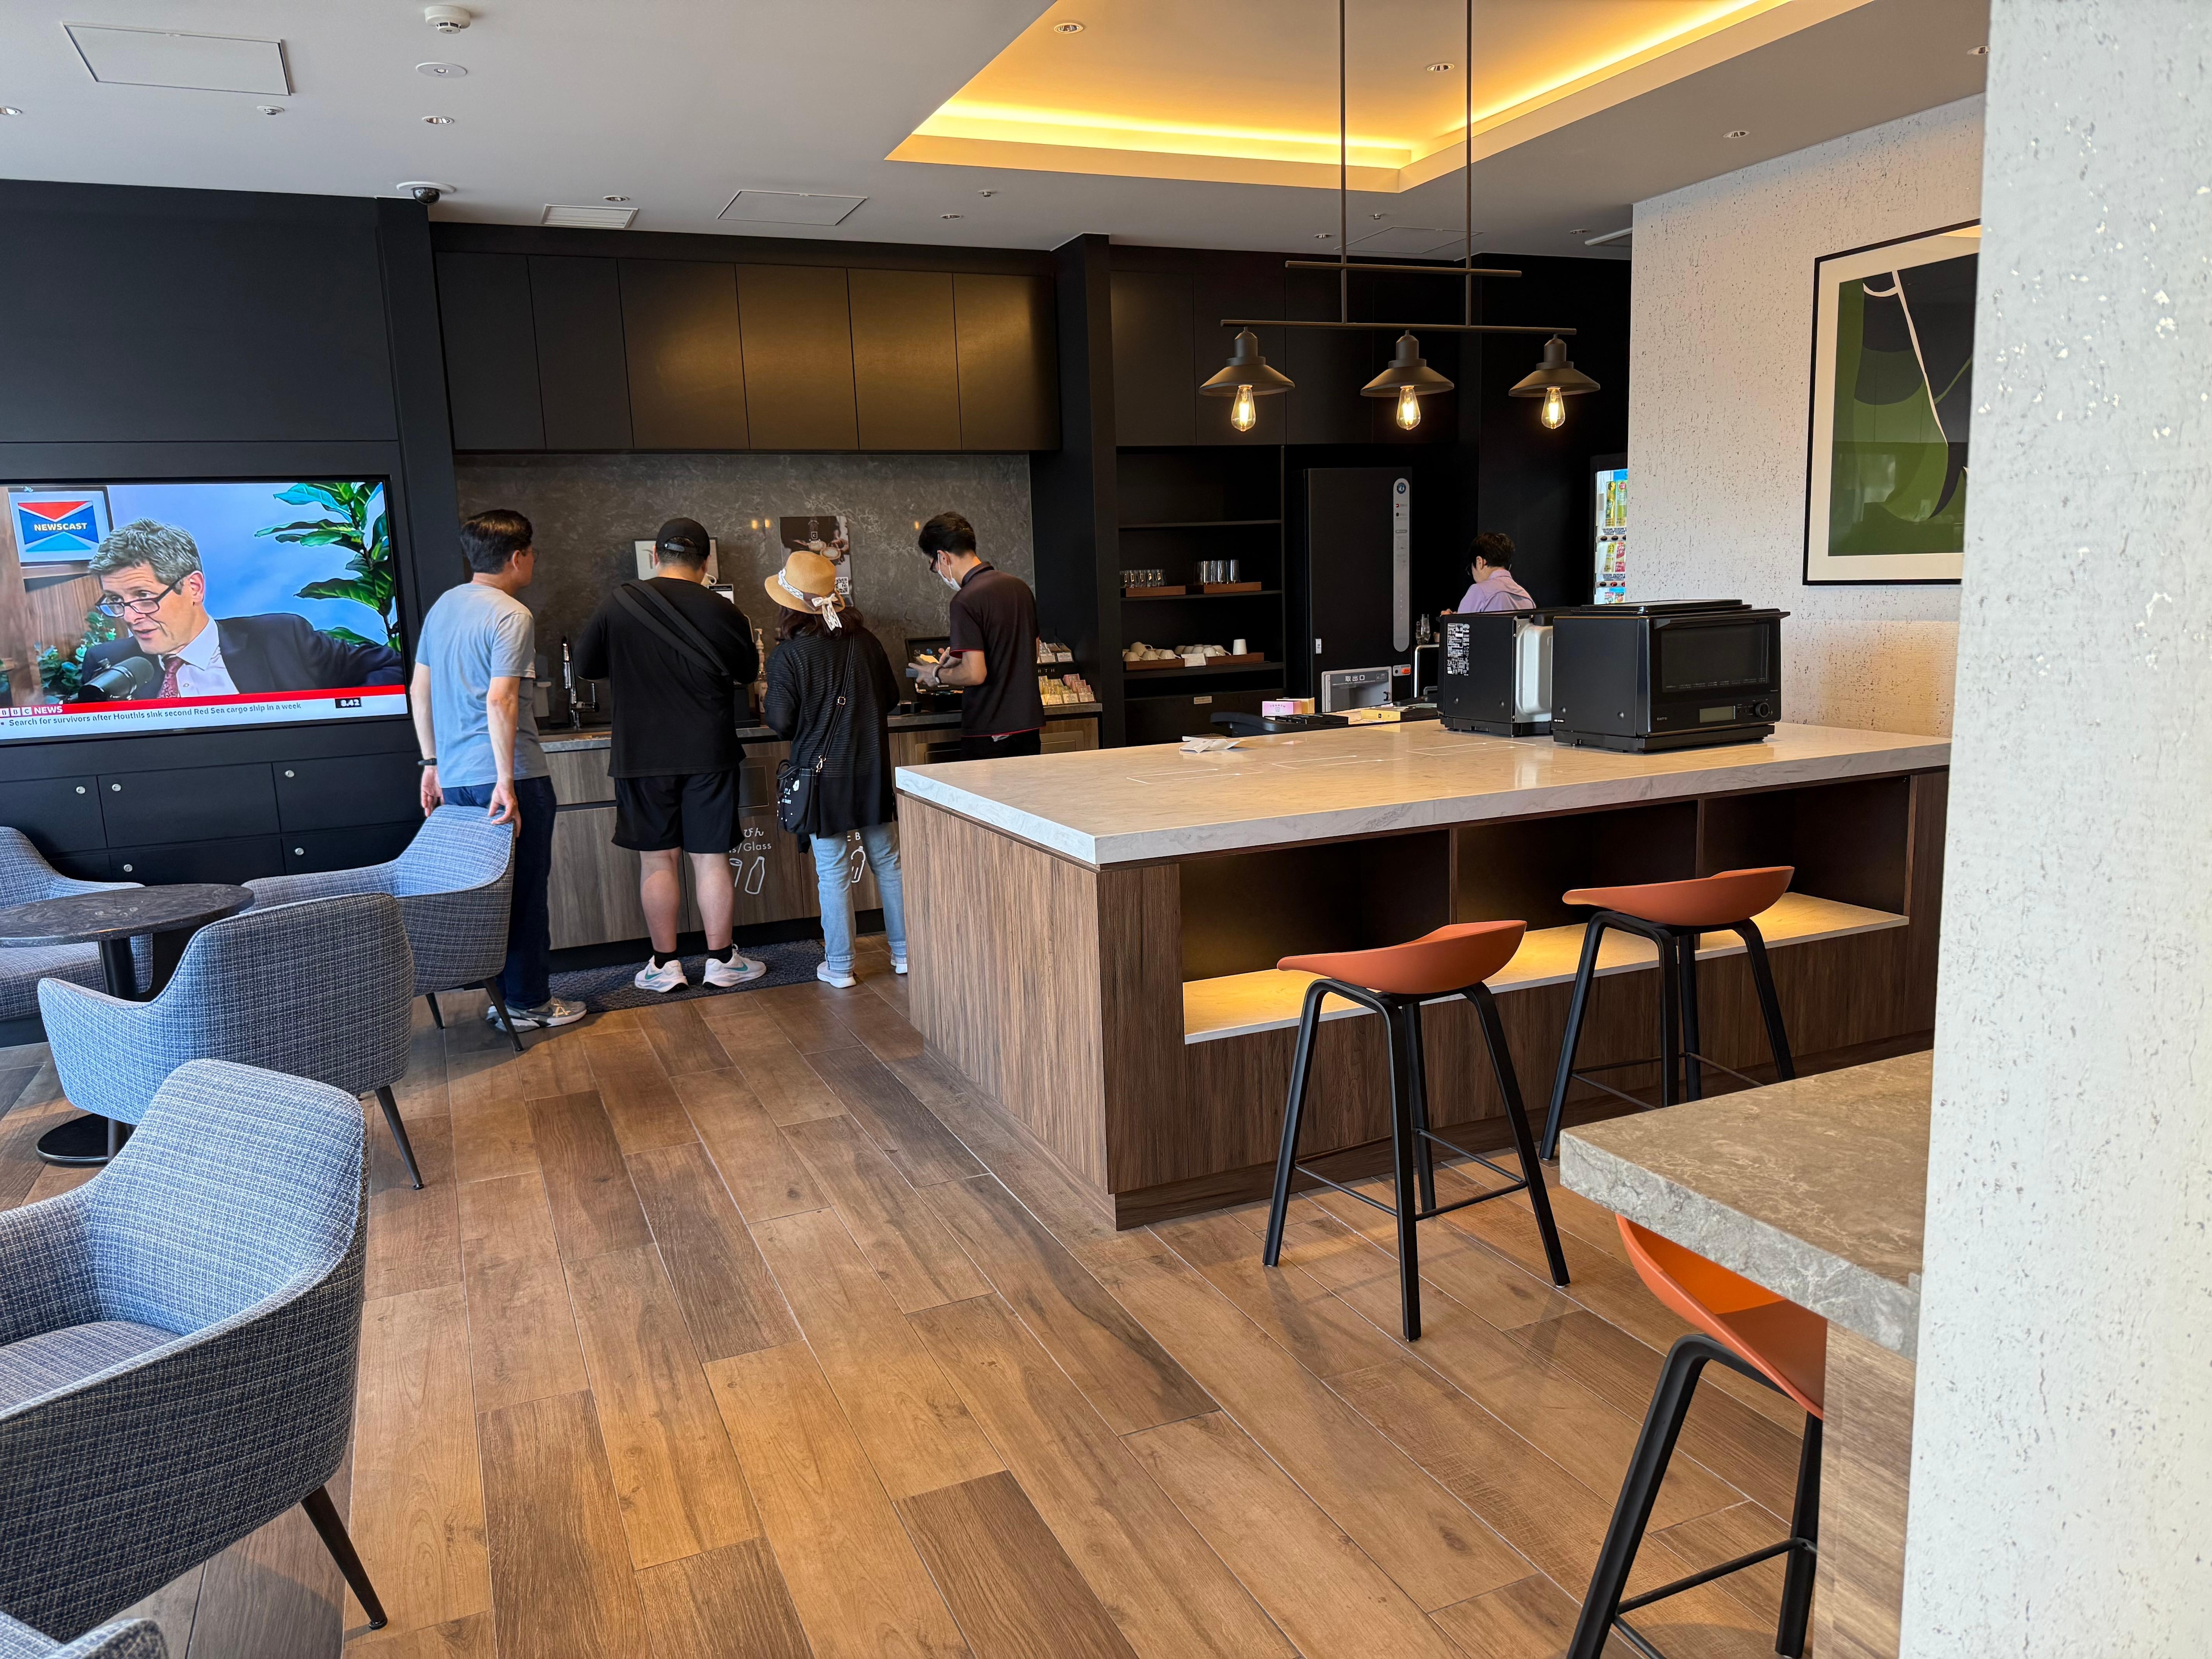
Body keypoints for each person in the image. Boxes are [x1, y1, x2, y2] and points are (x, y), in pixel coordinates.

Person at [573, 516, 766, 995]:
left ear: (655, 556)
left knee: (657, 861)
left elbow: (586, 667)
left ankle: (665, 965)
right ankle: (722, 962)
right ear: (705, 562)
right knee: (710, 859)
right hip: (708, 750)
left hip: (641, 753)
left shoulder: (618, 603)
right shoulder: (724, 610)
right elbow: (747, 673)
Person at [411, 509, 583, 1032]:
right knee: (525, 893)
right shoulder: (511, 614)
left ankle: (506, 1000)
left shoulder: (445, 606)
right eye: (531, 553)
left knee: (490, 899)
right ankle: (530, 1003)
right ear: (517, 557)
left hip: (458, 779)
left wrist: (431, 763)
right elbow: (501, 699)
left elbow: (419, 690)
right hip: (510, 779)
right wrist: (506, 781)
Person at [762, 549, 907, 989]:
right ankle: (906, 954)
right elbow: (891, 698)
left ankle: (841, 966)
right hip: (871, 770)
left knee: (833, 871)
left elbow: (781, 721)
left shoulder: (788, 656)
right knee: (889, 863)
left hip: (821, 777)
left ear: (789, 605)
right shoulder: (867, 643)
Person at [78, 518, 402, 699]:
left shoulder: (280, 638)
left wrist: (334, 717)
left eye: (144, 596)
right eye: (117, 601)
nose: (130, 617)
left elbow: (396, 668)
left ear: (194, 588)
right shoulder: (110, 664)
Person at [912, 510, 1044, 760]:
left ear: (943, 557)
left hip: (989, 730)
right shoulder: (1020, 588)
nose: (938, 571)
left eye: (934, 565)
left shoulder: (965, 600)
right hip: (1028, 726)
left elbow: (975, 674)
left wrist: (936, 674)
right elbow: (1032, 652)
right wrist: (961, 658)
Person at [1453, 531, 1536, 613]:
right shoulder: (1527, 598)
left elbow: (1461, 621)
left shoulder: (1479, 591)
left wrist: (1449, 619)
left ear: (1480, 562)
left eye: (1470, 570)